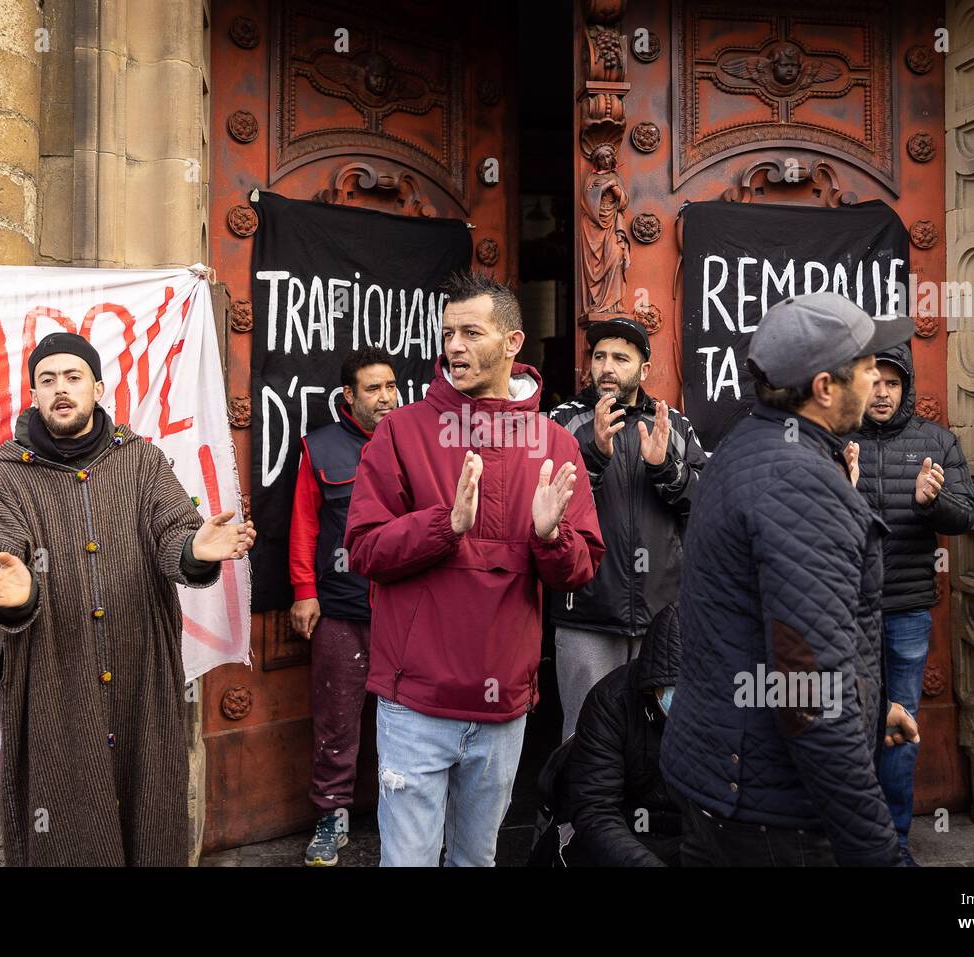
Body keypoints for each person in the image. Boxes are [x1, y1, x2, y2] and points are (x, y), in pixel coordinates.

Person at [0, 332, 256, 866]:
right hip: (54, 678)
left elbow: (174, 533)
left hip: (140, 669)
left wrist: (194, 548)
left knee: (150, 812)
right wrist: (15, 594)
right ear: (33, 396)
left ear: (97, 388)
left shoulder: (141, 461)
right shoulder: (6, 476)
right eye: (47, 380)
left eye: (73, 377)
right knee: (66, 824)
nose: (61, 389)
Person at [345, 271, 605, 867]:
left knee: (476, 860)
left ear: (512, 344)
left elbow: (580, 570)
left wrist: (549, 537)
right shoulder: (402, 432)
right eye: (446, 333)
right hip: (416, 704)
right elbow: (362, 549)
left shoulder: (554, 443)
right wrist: (444, 526)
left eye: (470, 332)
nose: (454, 346)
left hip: (502, 707)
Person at [662, 292, 918, 867]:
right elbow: (808, 698)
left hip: (729, 782)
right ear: (825, 388)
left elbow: (781, 638)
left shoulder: (754, 443)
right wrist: (879, 852)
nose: (878, 376)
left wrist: (869, 712)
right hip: (769, 816)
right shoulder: (797, 481)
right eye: (865, 365)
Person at [848, 342, 974, 865]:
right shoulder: (838, 437)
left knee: (900, 729)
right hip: (845, 613)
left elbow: (966, 514)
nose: (882, 393)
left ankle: (894, 844)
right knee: (846, 724)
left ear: (905, 389)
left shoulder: (936, 442)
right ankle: (850, 840)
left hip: (906, 611)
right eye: (873, 381)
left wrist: (935, 501)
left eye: (892, 383)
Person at [549, 316, 707, 740]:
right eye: (599, 356)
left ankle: (648, 812)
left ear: (644, 369)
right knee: (584, 736)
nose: (607, 367)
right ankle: (581, 810)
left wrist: (664, 469)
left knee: (661, 735)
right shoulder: (563, 421)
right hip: (587, 611)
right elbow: (547, 504)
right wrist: (594, 456)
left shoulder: (672, 423)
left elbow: (703, 504)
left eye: (621, 358)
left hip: (662, 613)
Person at [288, 347, 399, 866]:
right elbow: (305, 525)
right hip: (341, 608)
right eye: (373, 389)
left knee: (409, 720)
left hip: (405, 609)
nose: (386, 397)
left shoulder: (414, 441)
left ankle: (404, 815)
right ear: (348, 396)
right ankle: (332, 817)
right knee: (338, 720)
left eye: (392, 386)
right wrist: (304, 591)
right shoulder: (322, 448)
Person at [566, 602, 684, 866]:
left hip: (695, 841)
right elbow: (595, 810)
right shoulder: (611, 702)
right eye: (674, 688)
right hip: (624, 840)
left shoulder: (728, 709)